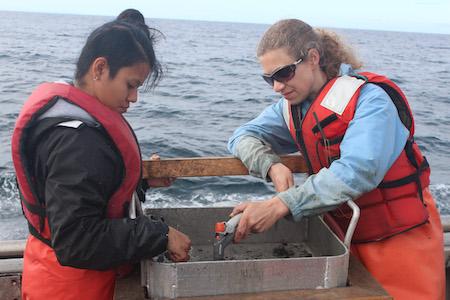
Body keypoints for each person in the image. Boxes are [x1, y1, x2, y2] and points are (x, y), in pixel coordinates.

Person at [228, 19, 444, 299]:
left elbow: (359, 169)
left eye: (284, 73)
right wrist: (272, 165)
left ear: (313, 58)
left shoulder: (372, 100)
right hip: (341, 238)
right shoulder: (292, 108)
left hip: (400, 240)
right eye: (269, 78)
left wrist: (281, 204)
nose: (277, 87)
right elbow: (241, 136)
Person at [11, 9, 191, 300]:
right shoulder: (77, 141)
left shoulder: (78, 123)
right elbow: (76, 240)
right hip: (67, 287)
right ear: (99, 68)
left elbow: (84, 191)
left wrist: (139, 183)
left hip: (58, 273)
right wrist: (160, 235)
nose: (134, 97)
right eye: (130, 85)